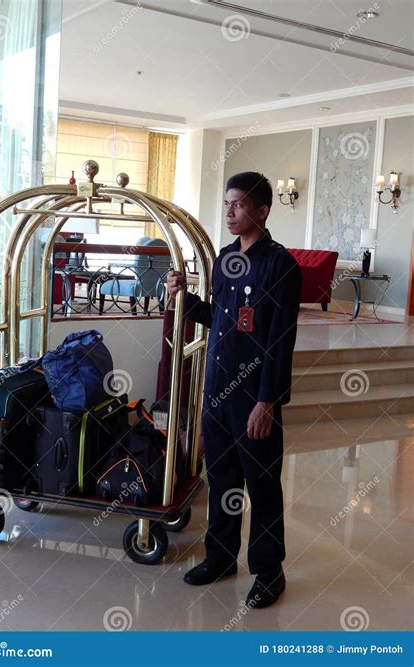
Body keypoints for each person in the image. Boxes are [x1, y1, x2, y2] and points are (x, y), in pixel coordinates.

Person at [167, 172, 301, 609]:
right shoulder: (226, 258)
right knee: (222, 478)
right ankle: (221, 558)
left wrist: (267, 401)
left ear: (262, 210)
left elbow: (281, 340)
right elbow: (219, 318)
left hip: (254, 396)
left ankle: (268, 570)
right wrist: (184, 297)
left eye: (239, 204)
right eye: (227, 203)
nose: (229, 212)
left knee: (262, 486)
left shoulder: (280, 265)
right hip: (218, 390)